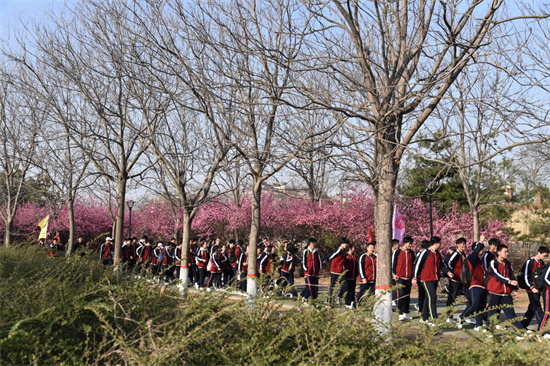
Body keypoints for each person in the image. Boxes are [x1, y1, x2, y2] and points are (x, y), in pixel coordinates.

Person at [486, 244, 527, 332]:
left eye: (507, 252)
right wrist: (509, 281)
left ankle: (521, 331)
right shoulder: (493, 262)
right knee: (492, 313)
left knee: (511, 314)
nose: (507, 253)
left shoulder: (508, 263)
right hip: (495, 292)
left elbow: (512, 276)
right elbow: (497, 275)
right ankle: (490, 330)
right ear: (499, 252)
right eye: (505, 252)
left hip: (506, 294)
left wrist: (515, 289)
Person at [456, 241, 488, 331]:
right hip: (474, 285)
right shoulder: (471, 258)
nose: (482, 250)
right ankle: (461, 317)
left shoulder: (481, 261)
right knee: (475, 304)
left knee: (481, 307)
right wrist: (480, 241)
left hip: (482, 285)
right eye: (481, 249)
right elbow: (476, 251)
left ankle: (479, 324)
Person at [413, 236, 443, 325]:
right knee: (433, 297)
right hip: (426, 279)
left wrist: (448, 272)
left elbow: (442, 264)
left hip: (435, 279)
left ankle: (424, 317)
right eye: (439, 243)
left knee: (428, 298)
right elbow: (417, 264)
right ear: (435, 244)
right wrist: (415, 277)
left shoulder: (437, 253)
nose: (440, 245)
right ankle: (434, 320)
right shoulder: (425, 253)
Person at [521, 246, 549, 330]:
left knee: (532, 309)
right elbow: (525, 276)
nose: (545, 257)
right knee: (537, 309)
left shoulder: (542, 263)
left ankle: (522, 325)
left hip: (538, 289)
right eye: (544, 255)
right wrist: (532, 287)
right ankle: (542, 329)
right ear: (538, 253)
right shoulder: (530, 262)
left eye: (546, 256)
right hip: (531, 289)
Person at [445, 238, 468, 322]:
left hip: (462, 280)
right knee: (452, 298)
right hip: (455, 280)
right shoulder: (456, 254)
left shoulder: (463, 254)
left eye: (465, 243)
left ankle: (467, 315)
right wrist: (452, 273)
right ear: (457, 245)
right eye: (462, 244)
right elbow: (448, 262)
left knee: (469, 297)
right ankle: (449, 316)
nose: (464, 245)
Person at [393, 236, 415, 320]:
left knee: (407, 295)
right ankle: (401, 313)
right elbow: (393, 263)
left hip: (408, 278)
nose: (410, 245)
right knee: (401, 295)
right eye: (409, 243)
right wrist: (393, 274)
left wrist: (413, 276)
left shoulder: (411, 253)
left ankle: (406, 312)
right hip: (400, 278)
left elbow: (414, 264)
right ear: (405, 243)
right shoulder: (397, 252)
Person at [327, 238, 348, 304]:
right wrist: (327, 259)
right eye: (345, 243)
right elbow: (332, 255)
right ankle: (329, 300)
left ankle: (338, 296)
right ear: (342, 244)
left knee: (345, 286)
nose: (346, 245)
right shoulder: (339, 250)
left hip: (341, 271)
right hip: (335, 271)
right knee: (333, 286)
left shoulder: (343, 251)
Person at [343, 244, 358, 308]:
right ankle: (347, 303)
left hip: (353, 276)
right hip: (348, 276)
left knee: (353, 290)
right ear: (350, 248)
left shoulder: (354, 256)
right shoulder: (346, 256)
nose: (354, 249)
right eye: (353, 248)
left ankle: (352, 301)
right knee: (348, 290)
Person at [539, 263, 550, 338]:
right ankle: (539, 333)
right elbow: (544, 278)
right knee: (547, 311)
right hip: (548, 290)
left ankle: (546, 332)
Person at [391, 239, 400, 305]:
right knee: (392, 285)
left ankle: (394, 298)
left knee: (395, 285)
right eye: (397, 244)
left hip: (397, 272)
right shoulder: (390, 253)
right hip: (391, 272)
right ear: (394, 245)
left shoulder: (398, 252)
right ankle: (393, 299)